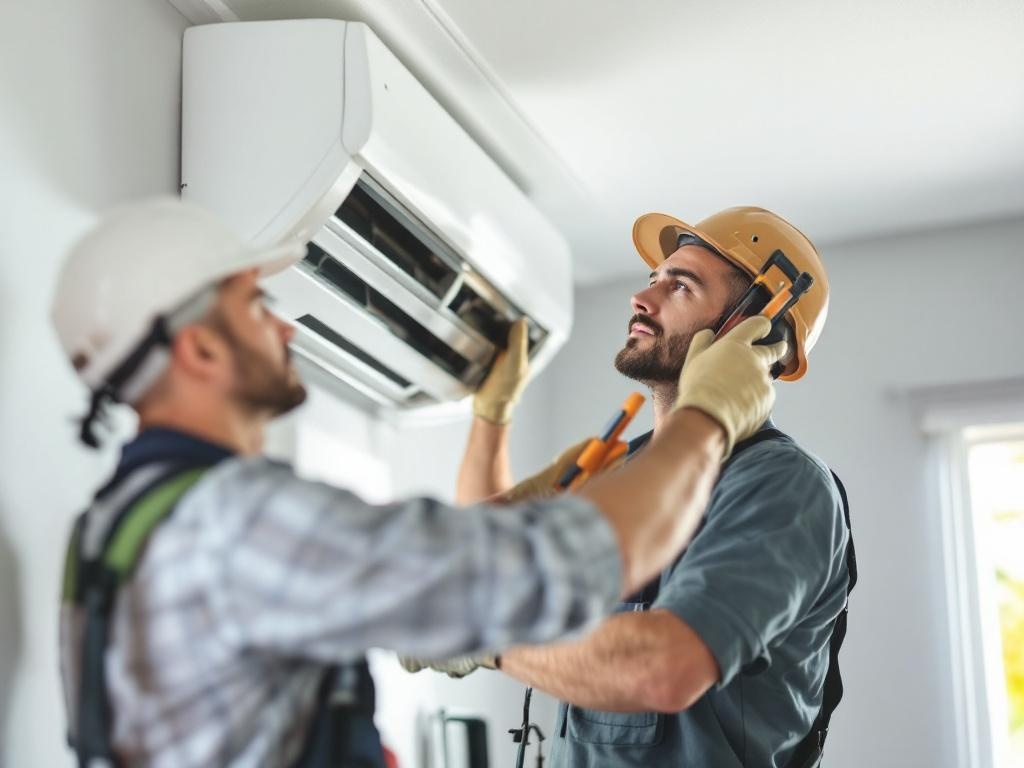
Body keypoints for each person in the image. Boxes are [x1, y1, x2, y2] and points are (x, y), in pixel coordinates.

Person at [51, 198, 786, 768]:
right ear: (200, 347)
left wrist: (498, 432)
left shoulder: (118, 521)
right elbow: (562, 564)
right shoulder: (244, 518)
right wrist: (709, 416)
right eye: (256, 307)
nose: (287, 331)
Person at [413, 207, 855, 768]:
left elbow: (664, 668)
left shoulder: (781, 485)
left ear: (754, 327)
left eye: (681, 285)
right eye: (653, 279)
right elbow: (494, 554)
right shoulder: (627, 469)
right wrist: (492, 417)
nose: (642, 299)